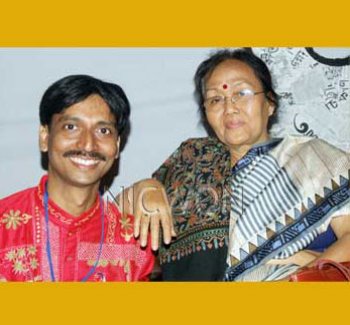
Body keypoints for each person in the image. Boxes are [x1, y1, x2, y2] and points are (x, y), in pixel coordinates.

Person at [130, 48, 350, 281]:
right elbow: (112, 222)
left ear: (270, 103)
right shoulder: (190, 164)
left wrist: (303, 272)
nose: (230, 107)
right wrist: (144, 187)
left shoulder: (314, 157)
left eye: (241, 93)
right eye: (216, 99)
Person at [0, 75, 155, 281]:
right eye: (71, 127)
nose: (88, 144)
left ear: (116, 146)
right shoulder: (5, 227)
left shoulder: (135, 241)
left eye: (103, 130)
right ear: (45, 138)